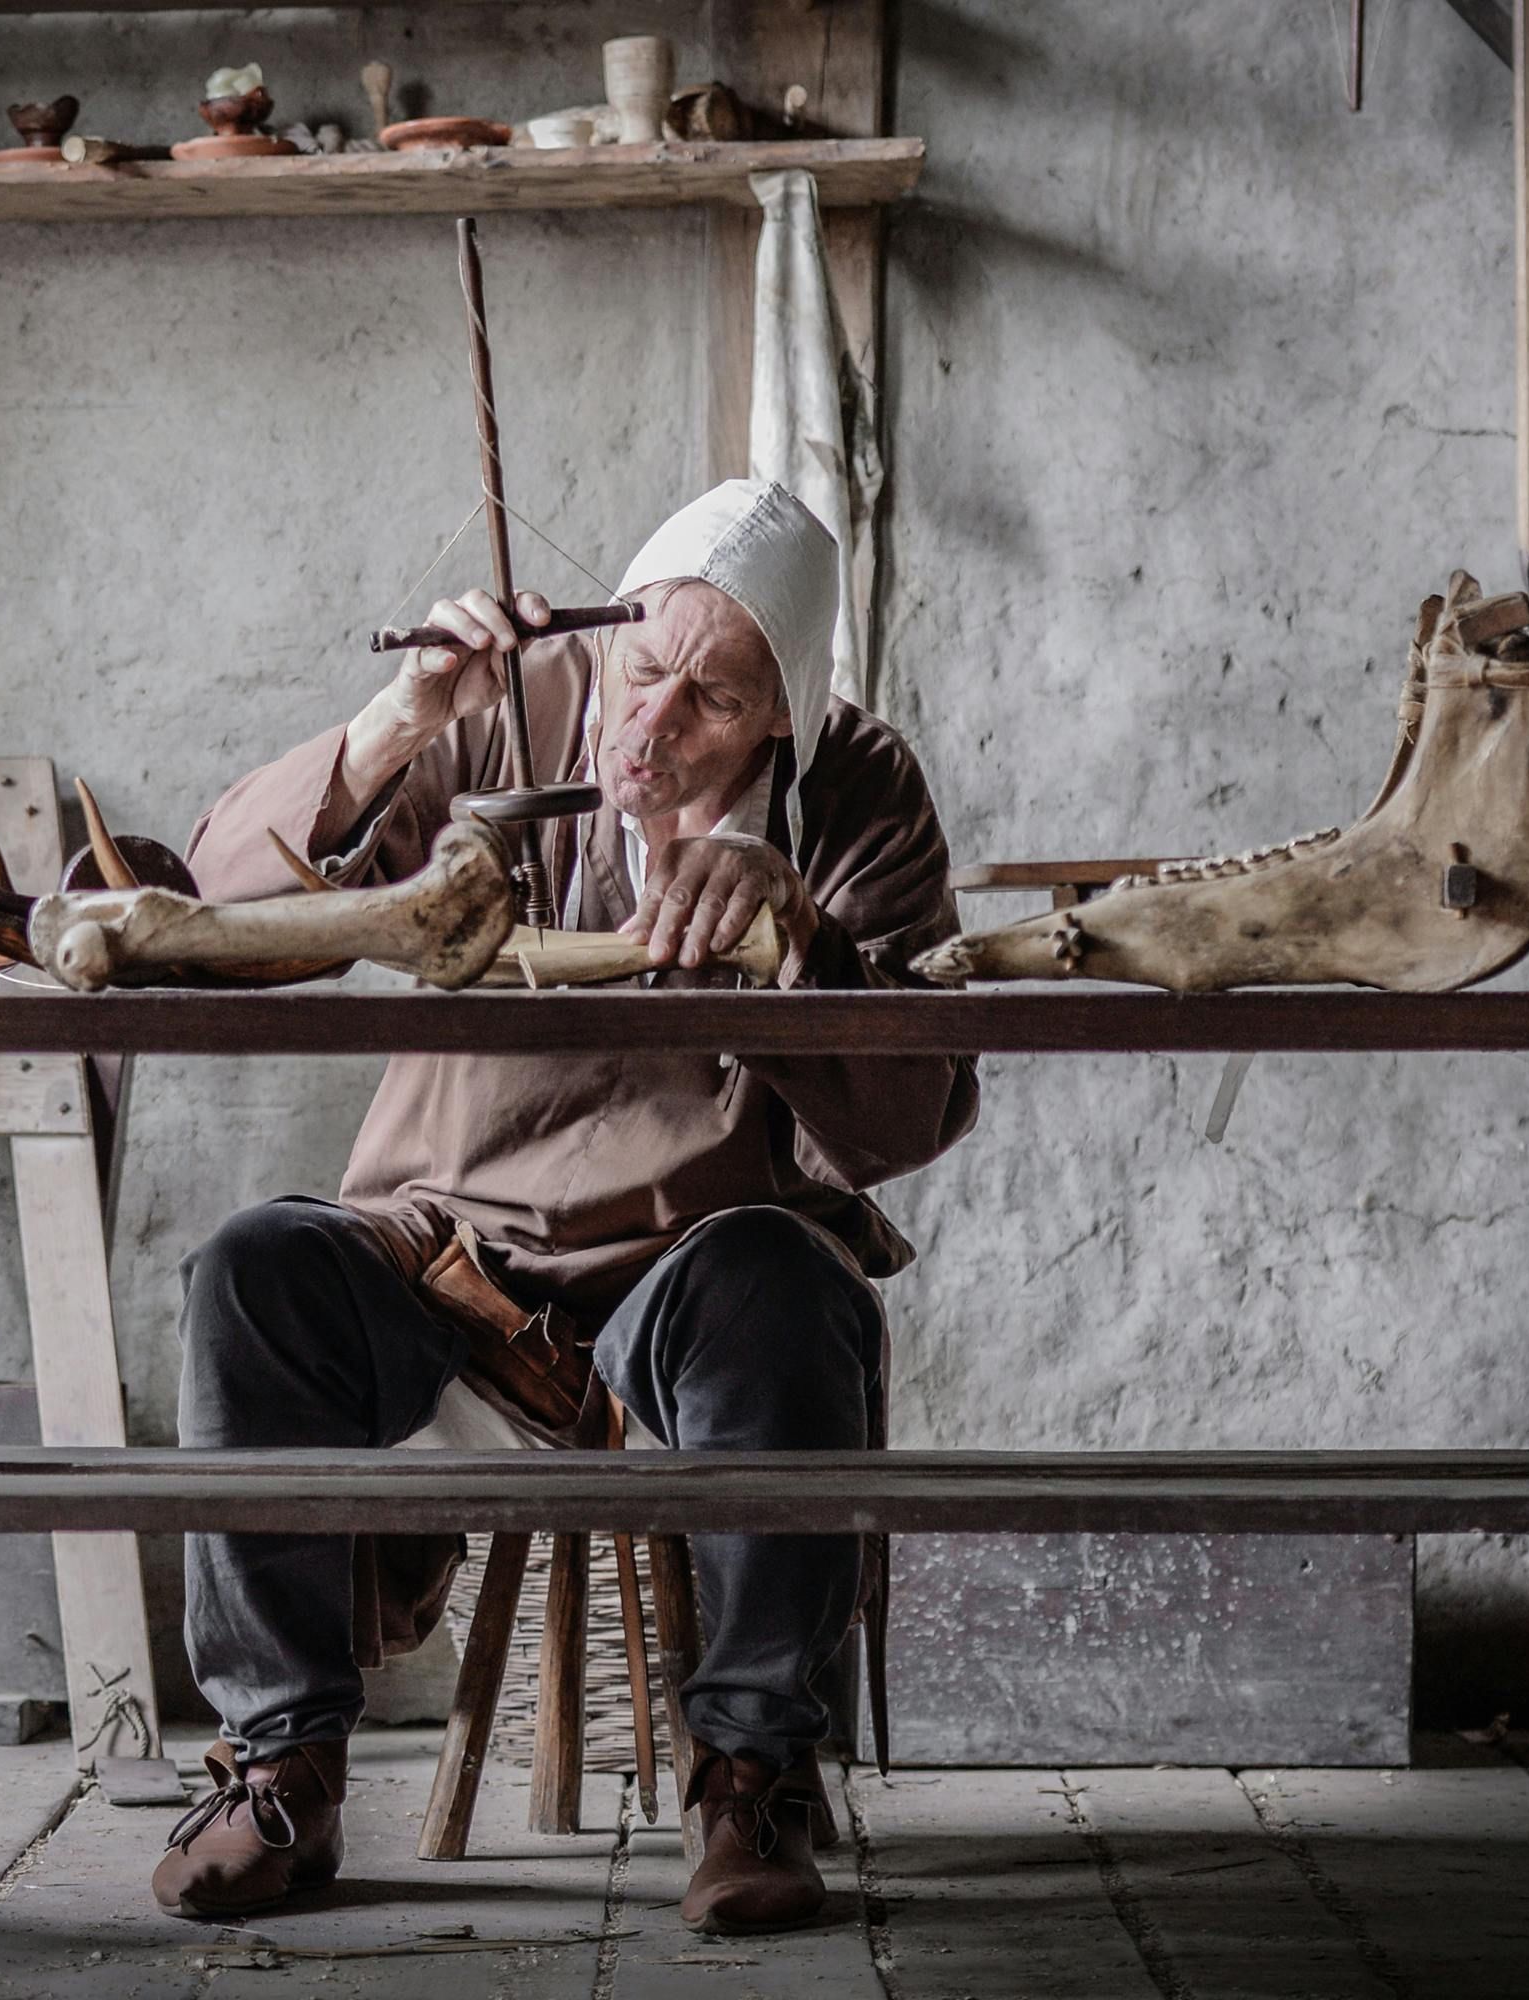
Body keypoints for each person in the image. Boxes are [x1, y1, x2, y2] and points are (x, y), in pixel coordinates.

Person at [154, 480, 977, 1935]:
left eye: (713, 703)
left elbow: (912, 1121)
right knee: (253, 1271)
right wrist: (401, 719)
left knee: (789, 1290)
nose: (652, 730)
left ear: (783, 716)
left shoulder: (855, 786)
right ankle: (280, 1767)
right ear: (610, 636)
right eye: (643, 672)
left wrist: (792, 932)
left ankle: (750, 1777)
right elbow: (218, 900)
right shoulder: (513, 703)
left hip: (692, 1257)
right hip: (445, 1243)